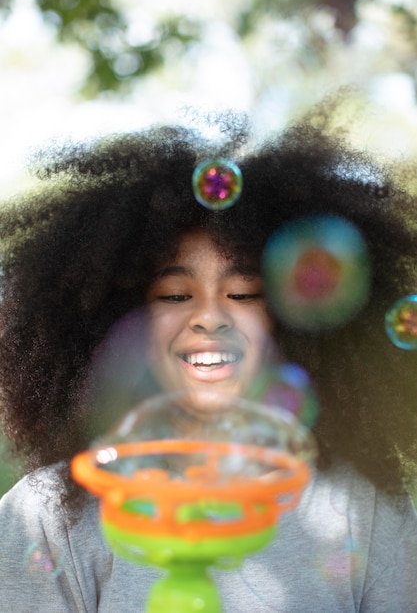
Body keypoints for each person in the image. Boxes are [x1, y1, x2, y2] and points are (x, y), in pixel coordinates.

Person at [1, 104, 417, 612]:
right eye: (175, 296)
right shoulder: (48, 513)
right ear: (112, 322)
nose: (210, 317)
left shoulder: (363, 506)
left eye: (244, 295)